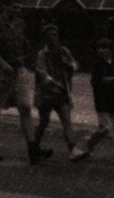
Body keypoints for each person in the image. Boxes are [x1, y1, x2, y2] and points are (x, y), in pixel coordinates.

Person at [0, 1, 43, 164]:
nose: (18, 10)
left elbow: (24, 46)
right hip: (2, 71)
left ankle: (32, 149)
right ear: (5, 7)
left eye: (20, 7)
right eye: (14, 6)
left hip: (19, 69)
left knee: (25, 107)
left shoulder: (20, 24)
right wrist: (2, 63)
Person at [32, 23, 86, 161]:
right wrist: (54, 82)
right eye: (49, 35)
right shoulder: (42, 54)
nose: (52, 37)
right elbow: (41, 72)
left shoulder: (63, 51)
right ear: (44, 37)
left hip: (61, 93)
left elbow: (74, 64)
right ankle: (34, 146)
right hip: (47, 93)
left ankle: (72, 149)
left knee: (66, 121)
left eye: (55, 35)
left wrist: (71, 67)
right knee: (44, 121)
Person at [76, 37, 114, 163]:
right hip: (102, 100)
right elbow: (102, 80)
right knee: (105, 129)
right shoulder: (97, 65)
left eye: (104, 48)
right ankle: (89, 143)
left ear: (110, 50)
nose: (100, 50)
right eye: (99, 48)